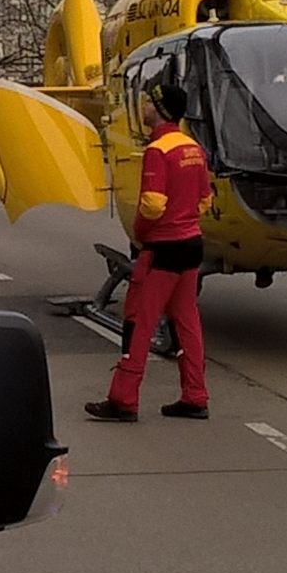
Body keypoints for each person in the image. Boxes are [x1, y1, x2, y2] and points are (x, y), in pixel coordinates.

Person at [86, 83, 212, 422]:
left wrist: (142, 232)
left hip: (163, 249)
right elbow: (204, 200)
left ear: (159, 109)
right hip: (191, 245)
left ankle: (123, 399)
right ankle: (195, 396)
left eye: (146, 103)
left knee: (138, 321)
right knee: (187, 322)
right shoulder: (192, 148)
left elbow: (153, 204)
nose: (142, 109)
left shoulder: (158, 150)